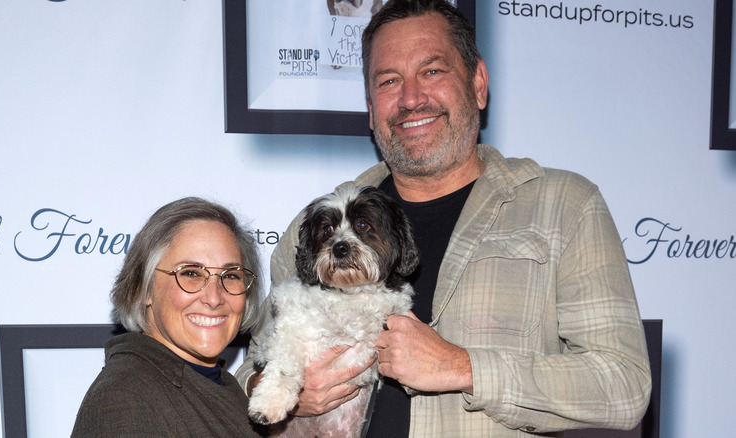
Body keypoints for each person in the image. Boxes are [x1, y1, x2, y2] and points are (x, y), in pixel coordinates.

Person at [236, 0, 652, 436]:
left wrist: (462, 367)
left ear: (478, 84)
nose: (411, 98)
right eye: (389, 80)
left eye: (432, 71)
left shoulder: (564, 206)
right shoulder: (317, 228)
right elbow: (253, 368)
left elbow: (622, 387)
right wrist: (279, 389)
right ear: (371, 106)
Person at [73, 197, 263, 437]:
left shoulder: (221, 384)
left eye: (231, 275)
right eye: (191, 273)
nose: (214, 298)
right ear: (144, 288)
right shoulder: (125, 397)